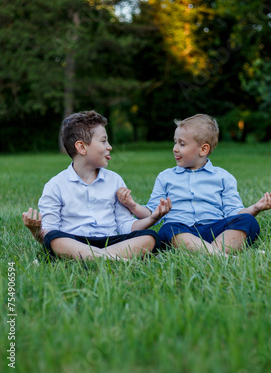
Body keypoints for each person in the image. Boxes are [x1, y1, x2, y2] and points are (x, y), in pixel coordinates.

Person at [117, 114, 271, 256]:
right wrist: (132, 205)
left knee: (248, 221)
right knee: (168, 229)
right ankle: (222, 256)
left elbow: (234, 213)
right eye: (175, 142)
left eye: (182, 144)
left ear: (203, 149)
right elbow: (151, 213)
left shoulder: (223, 177)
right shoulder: (166, 177)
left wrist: (256, 208)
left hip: (215, 230)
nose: (175, 149)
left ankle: (209, 253)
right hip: (182, 231)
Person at [22, 110, 171, 261]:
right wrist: (37, 231)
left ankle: (95, 258)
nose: (109, 146)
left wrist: (152, 218)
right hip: (74, 242)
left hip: (110, 241)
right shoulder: (55, 186)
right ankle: (114, 259)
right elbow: (49, 234)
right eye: (103, 141)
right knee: (53, 238)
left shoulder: (115, 180)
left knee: (150, 237)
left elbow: (125, 225)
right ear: (81, 147)